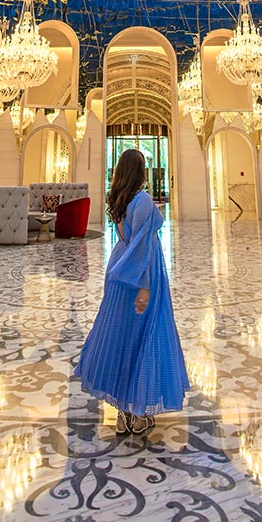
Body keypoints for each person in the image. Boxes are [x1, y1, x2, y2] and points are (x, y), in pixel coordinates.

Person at [75, 148, 189, 434]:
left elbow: (128, 241)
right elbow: (141, 247)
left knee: (121, 339)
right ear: (139, 171)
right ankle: (139, 413)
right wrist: (145, 287)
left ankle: (123, 413)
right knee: (144, 340)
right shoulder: (143, 200)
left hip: (119, 268)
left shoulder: (118, 200)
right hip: (140, 274)